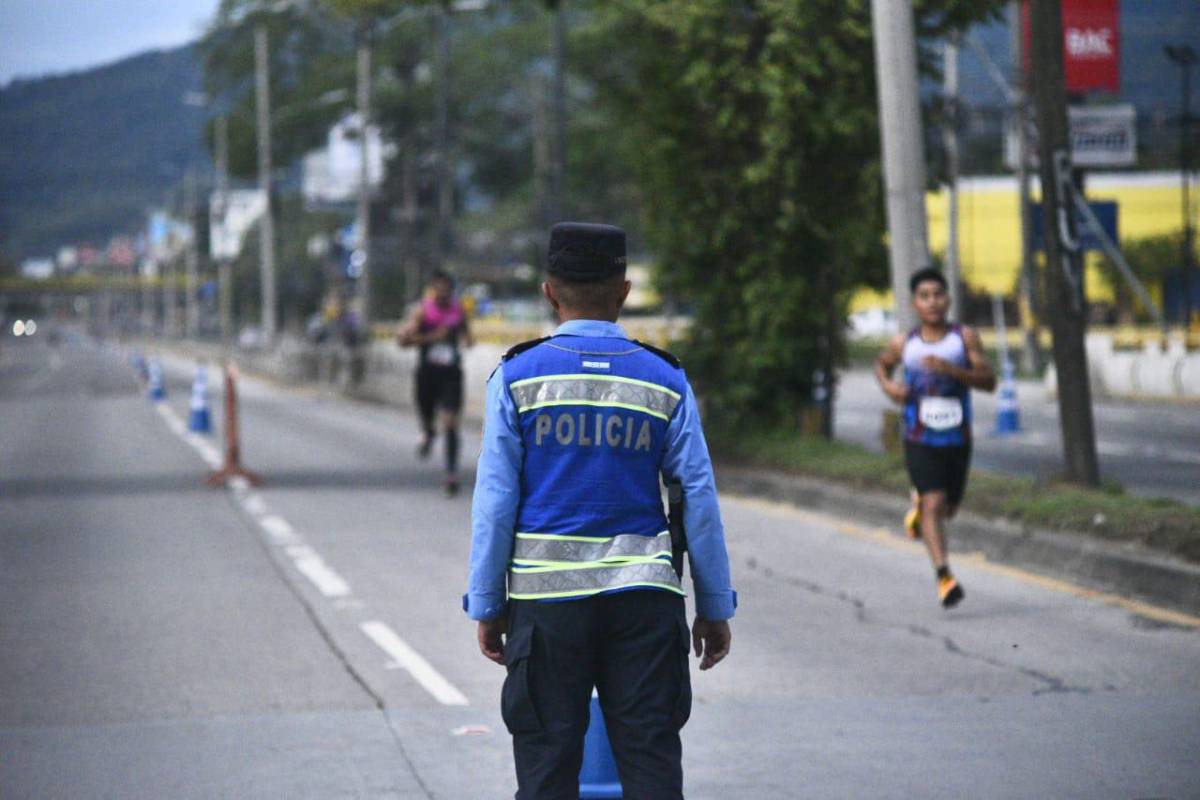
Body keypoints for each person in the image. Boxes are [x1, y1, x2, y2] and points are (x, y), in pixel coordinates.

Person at [466, 222, 736, 799]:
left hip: (547, 608)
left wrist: (488, 603)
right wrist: (713, 605)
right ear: (625, 291)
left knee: (546, 772)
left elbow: (495, 501)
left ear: (548, 292)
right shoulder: (666, 380)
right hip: (645, 605)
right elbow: (698, 499)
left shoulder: (516, 379)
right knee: (651, 767)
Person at [875, 267, 995, 608]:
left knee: (949, 509)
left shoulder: (963, 338)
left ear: (948, 299)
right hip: (918, 436)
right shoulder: (906, 343)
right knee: (934, 503)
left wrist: (953, 371)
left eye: (938, 295)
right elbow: (881, 365)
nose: (932, 302)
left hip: (957, 438)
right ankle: (945, 576)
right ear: (915, 303)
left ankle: (919, 509)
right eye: (924, 296)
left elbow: (988, 381)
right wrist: (890, 387)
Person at [397, 270, 473, 496]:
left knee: (450, 422)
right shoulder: (423, 312)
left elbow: (468, 336)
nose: (444, 292)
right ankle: (428, 433)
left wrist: (466, 339)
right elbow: (403, 340)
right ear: (432, 288)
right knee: (428, 416)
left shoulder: (458, 311)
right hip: (427, 374)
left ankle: (451, 473)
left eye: (447, 288)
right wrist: (432, 338)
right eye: (439, 287)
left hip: (450, 374)